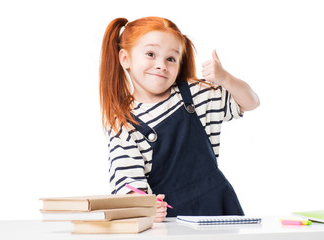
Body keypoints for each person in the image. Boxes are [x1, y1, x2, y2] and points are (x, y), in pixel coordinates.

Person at [99, 17, 260, 222]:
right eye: (150, 54)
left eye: (171, 59)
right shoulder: (125, 124)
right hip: (172, 223)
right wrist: (145, 206)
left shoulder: (195, 94)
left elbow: (251, 102)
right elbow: (128, 184)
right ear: (125, 59)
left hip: (220, 212)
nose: (161, 65)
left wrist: (225, 79)